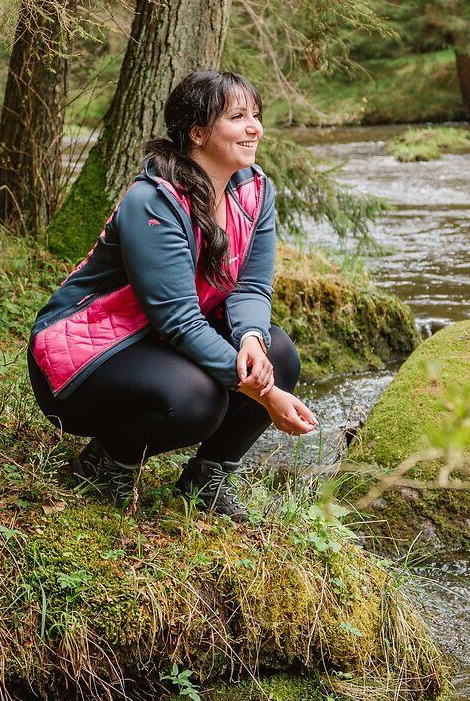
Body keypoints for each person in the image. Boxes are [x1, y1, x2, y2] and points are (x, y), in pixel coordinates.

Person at [28, 69, 319, 518]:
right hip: (87, 355)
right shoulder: (153, 201)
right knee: (198, 398)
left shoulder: (256, 190)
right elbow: (178, 320)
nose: (254, 128)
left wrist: (250, 339)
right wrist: (267, 396)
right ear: (197, 132)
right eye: (238, 117)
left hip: (158, 341)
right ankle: (106, 465)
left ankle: (205, 481)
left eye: (256, 115)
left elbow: (251, 285)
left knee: (278, 354)